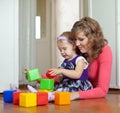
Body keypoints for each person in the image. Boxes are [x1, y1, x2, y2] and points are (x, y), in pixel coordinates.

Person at [69, 16, 112, 100]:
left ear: (93, 38)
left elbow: (102, 90)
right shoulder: (79, 50)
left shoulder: (105, 51)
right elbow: (66, 71)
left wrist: (75, 94)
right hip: (79, 93)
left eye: (81, 39)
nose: (77, 44)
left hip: (92, 99)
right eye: (75, 39)